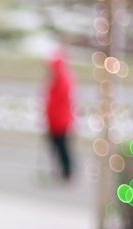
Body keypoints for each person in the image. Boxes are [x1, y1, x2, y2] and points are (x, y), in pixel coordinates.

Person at [45, 49, 76, 181]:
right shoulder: (56, 81)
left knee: (63, 148)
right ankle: (61, 171)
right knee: (56, 148)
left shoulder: (62, 82)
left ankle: (67, 172)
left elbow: (62, 104)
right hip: (55, 121)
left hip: (61, 121)